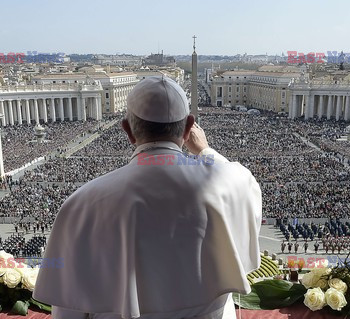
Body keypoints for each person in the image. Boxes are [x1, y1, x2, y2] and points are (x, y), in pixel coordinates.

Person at [33, 77, 263, 319]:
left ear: (128, 130)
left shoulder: (83, 203)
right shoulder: (228, 183)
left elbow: (68, 309)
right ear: (188, 128)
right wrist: (205, 151)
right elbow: (242, 181)